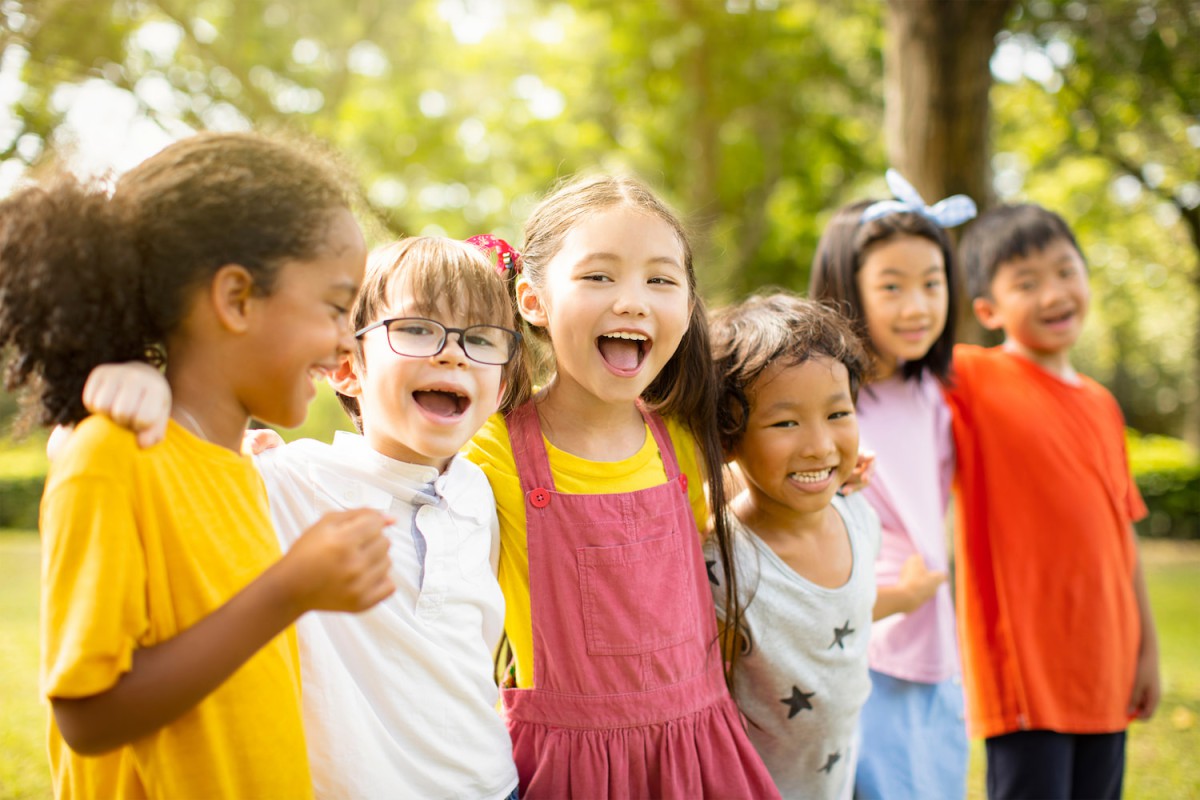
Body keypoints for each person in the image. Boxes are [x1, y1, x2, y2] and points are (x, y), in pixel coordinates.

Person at [0, 132, 395, 799]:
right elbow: (86, 718)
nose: (344, 341)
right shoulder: (110, 459)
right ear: (237, 298)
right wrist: (288, 591)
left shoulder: (238, 468)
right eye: (334, 307)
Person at [79, 236, 532, 798]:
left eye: (481, 338)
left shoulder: (480, 493)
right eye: (416, 328)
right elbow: (125, 465)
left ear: (502, 385)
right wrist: (144, 383)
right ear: (345, 366)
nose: (453, 352)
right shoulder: (287, 480)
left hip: (492, 785)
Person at [462, 174, 779, 798]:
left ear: (687, 307)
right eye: (599, 276)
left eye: (660, 279)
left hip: (696, 758)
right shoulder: (489, 450)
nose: (632, 301)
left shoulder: (686, 444)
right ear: (531, 300)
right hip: (568, 768)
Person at [950, 203, 1161, 800]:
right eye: (1027, 282)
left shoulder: (1102, 403)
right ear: (988, 310)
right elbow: (895, 352)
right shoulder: (973, 377)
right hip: (1026, 680)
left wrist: (1145, 649)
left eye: (1066, 271)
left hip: (1107, 669)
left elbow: (1124, 533)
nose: (1054, 292)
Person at [808, 169, 974, 799]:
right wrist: (895, 599)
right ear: (847, 291)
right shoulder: (831, 403)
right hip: (864, 649)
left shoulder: (930, 395)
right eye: (892, 286)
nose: (918, 306)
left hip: (935, 646)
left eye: (933, 284)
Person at [704, 292, 883, 800]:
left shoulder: (860, 517)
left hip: (838, 781)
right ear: (729, 438)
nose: (819, 445)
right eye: (785, 422)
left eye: (837, 414)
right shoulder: (721, 564)